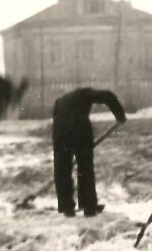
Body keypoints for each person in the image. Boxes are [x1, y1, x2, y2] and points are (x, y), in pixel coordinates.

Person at [51, 87, 127, 218]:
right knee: (85, 169)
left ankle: (66, 207)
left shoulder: (59, 101)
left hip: (60, 133)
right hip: (80, 132)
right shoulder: (84, 93)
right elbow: (107, 94)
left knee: (62, 169)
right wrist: (120, 115)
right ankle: (88, 206)